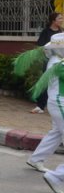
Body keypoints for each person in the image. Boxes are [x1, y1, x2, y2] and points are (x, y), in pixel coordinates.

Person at [26, 33, 64, 173]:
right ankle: (59, 176)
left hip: (57, 103)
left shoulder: (57, 59)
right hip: (60, 103)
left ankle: (36, 159)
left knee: (56, 133)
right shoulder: (58, 63)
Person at [32, 12, 63, 114]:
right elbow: (41, 46)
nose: (61, 20)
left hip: (61, 62)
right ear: (53, 20)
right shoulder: (46, 32)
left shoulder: (62, 32)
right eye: (59, 18)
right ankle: (40, 106)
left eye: (62, 18)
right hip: (50, 60)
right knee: (46, 82)